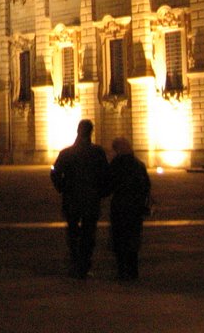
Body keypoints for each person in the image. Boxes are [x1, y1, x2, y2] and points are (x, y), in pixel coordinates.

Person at [50, 119, 109, 279]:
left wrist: (62, 188)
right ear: (91, 132)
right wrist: (102, 192)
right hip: (91, 200)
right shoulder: (98, 152)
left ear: (78, 131)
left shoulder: (66, 153)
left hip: (71, 199)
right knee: (89, 233)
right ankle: (84, 264)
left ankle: (75, 262)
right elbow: (106, 175)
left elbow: (54, 172)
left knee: (73, 231)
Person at [103, 137, 151, 281]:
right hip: (136, 208)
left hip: (120, 207)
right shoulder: (139, 164)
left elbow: (108, 185)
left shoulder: (116, 165)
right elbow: (146, 186)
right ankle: (133, 270)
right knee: (133, 240)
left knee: (119, 240)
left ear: (117, 150)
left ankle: (122, 271)